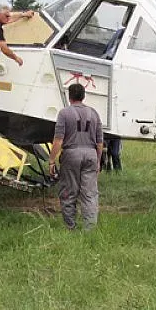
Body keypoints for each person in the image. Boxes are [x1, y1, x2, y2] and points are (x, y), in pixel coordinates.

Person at [48, 83, 104, 231]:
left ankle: (70, 227)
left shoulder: (64, 113)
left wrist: (52, 160)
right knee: (90, 194)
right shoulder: (94, 113)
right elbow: (99, 142)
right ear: (84, 96)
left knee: (69, 192)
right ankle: (89, 229)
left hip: (71, 154)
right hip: (91, 154)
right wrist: (98, 161)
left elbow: (58, 140)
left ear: (69, 96)